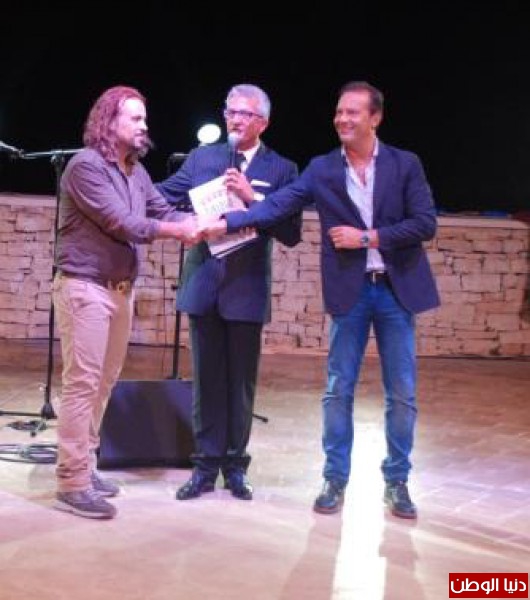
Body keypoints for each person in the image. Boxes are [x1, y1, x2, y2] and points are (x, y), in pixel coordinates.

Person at [202, 81, 440, 519]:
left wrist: (367, 237)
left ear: (375, 118)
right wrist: (229, 220)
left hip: (395, 290)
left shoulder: (405, 164)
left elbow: (425, 223)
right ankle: (334, 478)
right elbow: (278, 206)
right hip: (350, 290)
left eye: (353, 112)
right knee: (337, 389)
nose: (342, 119)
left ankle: (397, 480)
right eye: (338, 112)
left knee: (402, 393)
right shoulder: (323, 168)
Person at [52, 85, 200, 520]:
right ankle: (72, 482)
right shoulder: (86, 166)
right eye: (135, 118)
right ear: (109, 121)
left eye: (144, 119)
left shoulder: (135, 171)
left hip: (120, 289)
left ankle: (86, 464)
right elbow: (123, 223)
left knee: (104, 382)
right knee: (82, 384)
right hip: (86, 287)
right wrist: (177, 231)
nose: (144, 126)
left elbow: (161, 211)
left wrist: (202, 223)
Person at [157, 84, 301, 501]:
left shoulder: (282, 169)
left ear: (263, 122)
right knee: (206, 381)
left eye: (245, 113)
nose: (235, 119)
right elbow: (163, 195)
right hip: (204, 283)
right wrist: (175, 220)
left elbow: (291, 232)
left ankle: (235, 467)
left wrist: (252, 198)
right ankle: (204, 467)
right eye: (230, 111)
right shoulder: (203, 158)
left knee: (240, 384)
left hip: (246, 288)